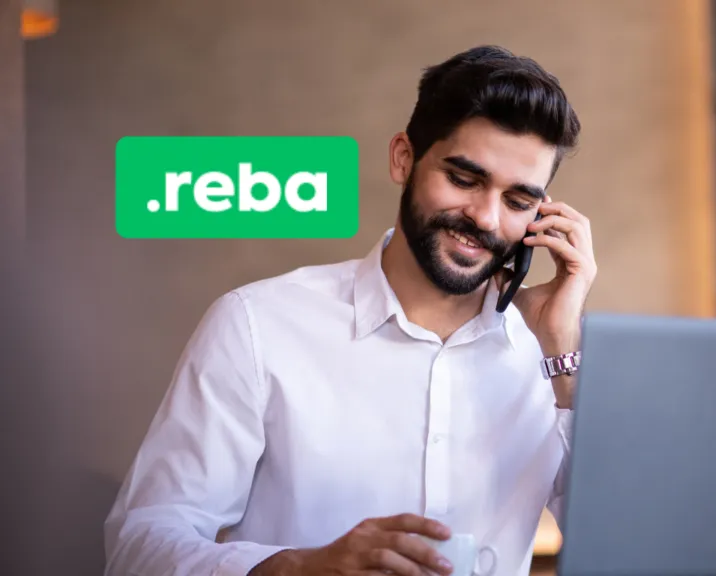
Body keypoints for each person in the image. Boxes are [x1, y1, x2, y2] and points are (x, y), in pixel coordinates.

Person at [103, 45, 594, 576]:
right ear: (403, 158)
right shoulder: (256, 325)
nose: (485, 217)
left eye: (518, 201)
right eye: (463, 179)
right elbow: (139, 546)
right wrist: (304, 567)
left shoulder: (552, 358)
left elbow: (637, 542)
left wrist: (563, 361)